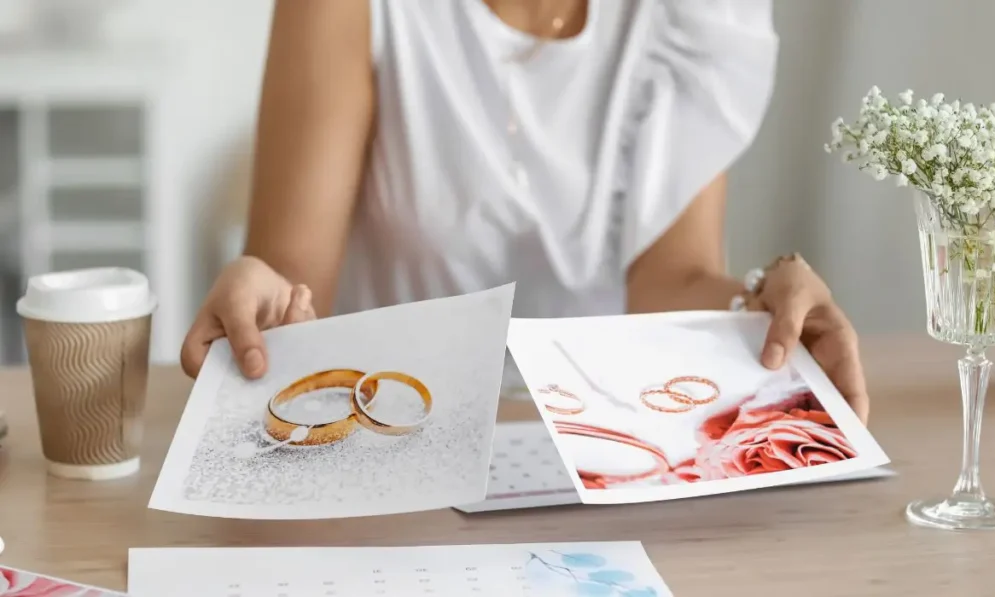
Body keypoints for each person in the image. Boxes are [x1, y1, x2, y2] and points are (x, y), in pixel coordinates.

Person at [180, 0, 869, 423]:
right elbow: (295, 287)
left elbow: (673, 277)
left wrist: (763, 308)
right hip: (388, 438)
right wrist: (265, 296)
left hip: (601, 451)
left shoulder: (689, 18)